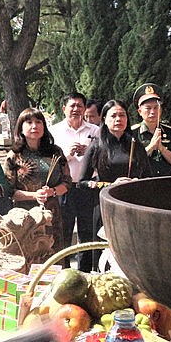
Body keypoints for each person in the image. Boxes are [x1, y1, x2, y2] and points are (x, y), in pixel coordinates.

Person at [79, 99, 152, 267]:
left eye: (122, 115)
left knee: (130, 250)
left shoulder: (136, 145)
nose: (119, 119)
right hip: (105, 205)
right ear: (104, 119)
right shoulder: (97, 146)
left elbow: (148, 178)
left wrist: (136, 182)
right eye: (113, 116)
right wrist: (110, 184)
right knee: (104, 251)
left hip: (131, 204)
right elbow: (82, 182)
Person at [4, 108, 72, 253]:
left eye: (38, 122)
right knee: (29, 254)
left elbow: (67, 182)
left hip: (51, 212)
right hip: (24, 216)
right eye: (29, 122)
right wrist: (35, 195)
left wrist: (53, 191)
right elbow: (9, 190)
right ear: (21, 128)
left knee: (53, 254)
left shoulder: (55, 152)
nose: (35, 126)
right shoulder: (14, 155)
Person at [48, 92, 99, 271]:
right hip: (64, 188)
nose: (76, 109)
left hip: (87, 188)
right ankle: (64, 270)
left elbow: (102, 160)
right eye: (72, 106)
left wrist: (89, 153)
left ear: (85, 109)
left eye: (80, 106)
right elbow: (51, 162)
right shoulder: (54, 131)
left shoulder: (95, 131)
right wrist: (68, 154)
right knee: (64, 230)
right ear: (64, 109)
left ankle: (86, 272)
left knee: (87, 231)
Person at [131, 83, 171, 177]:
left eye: (156, 108)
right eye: (148, 108)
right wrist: (151, 146)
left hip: (166, 181)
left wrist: (162, 149)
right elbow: (132, 162)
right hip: (143, 183)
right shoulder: (133, 133)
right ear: (140, 111)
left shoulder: (169, 132)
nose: (152, 112)